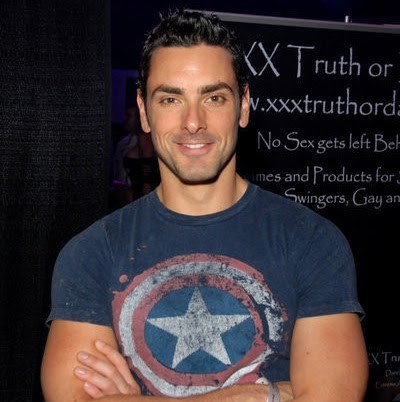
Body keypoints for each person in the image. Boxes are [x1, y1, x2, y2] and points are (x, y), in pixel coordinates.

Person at [41, 9, 368, 402]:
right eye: (170, 99)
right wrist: (252, 396)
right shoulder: (92, 253)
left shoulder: (311, 241)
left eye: (214, 97)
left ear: (243, 106)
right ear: (144, 111)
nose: (193, 122)